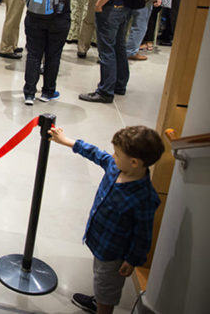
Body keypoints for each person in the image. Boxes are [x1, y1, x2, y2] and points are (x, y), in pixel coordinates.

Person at [49, 125, 163, 314]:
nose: (113, 155)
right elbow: (96, 153)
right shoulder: (115, 167)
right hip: (99, 239)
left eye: (117, 154)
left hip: (114, 254)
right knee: (100, 280)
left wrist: (132, 260)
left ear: (134, 162)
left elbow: (143, 235)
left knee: (106, 289)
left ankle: (102, 307)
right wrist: (67, 141)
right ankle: (98, 301)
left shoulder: (144, 198)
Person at [22, 0, 82, 104]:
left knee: (33, 54)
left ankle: (29, 93)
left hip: (35, 16)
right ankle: (48, 92)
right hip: (59, 18)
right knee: (53, 55)